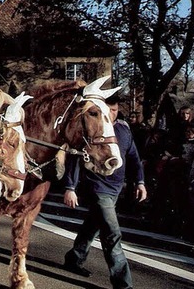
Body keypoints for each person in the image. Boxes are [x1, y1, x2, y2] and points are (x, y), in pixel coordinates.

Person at [62, 95, 147, 289]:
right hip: (96, 187)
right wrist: (70, 188)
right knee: (112, 233)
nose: (111, 113)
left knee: (92, 225)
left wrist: (140, 182)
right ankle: (123, 284)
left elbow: (133, 157)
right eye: (108, 109)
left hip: (116, 188)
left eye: (115, 110)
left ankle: (74, 259)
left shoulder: (124, 130)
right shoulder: (92, 128)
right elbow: (75, 159)